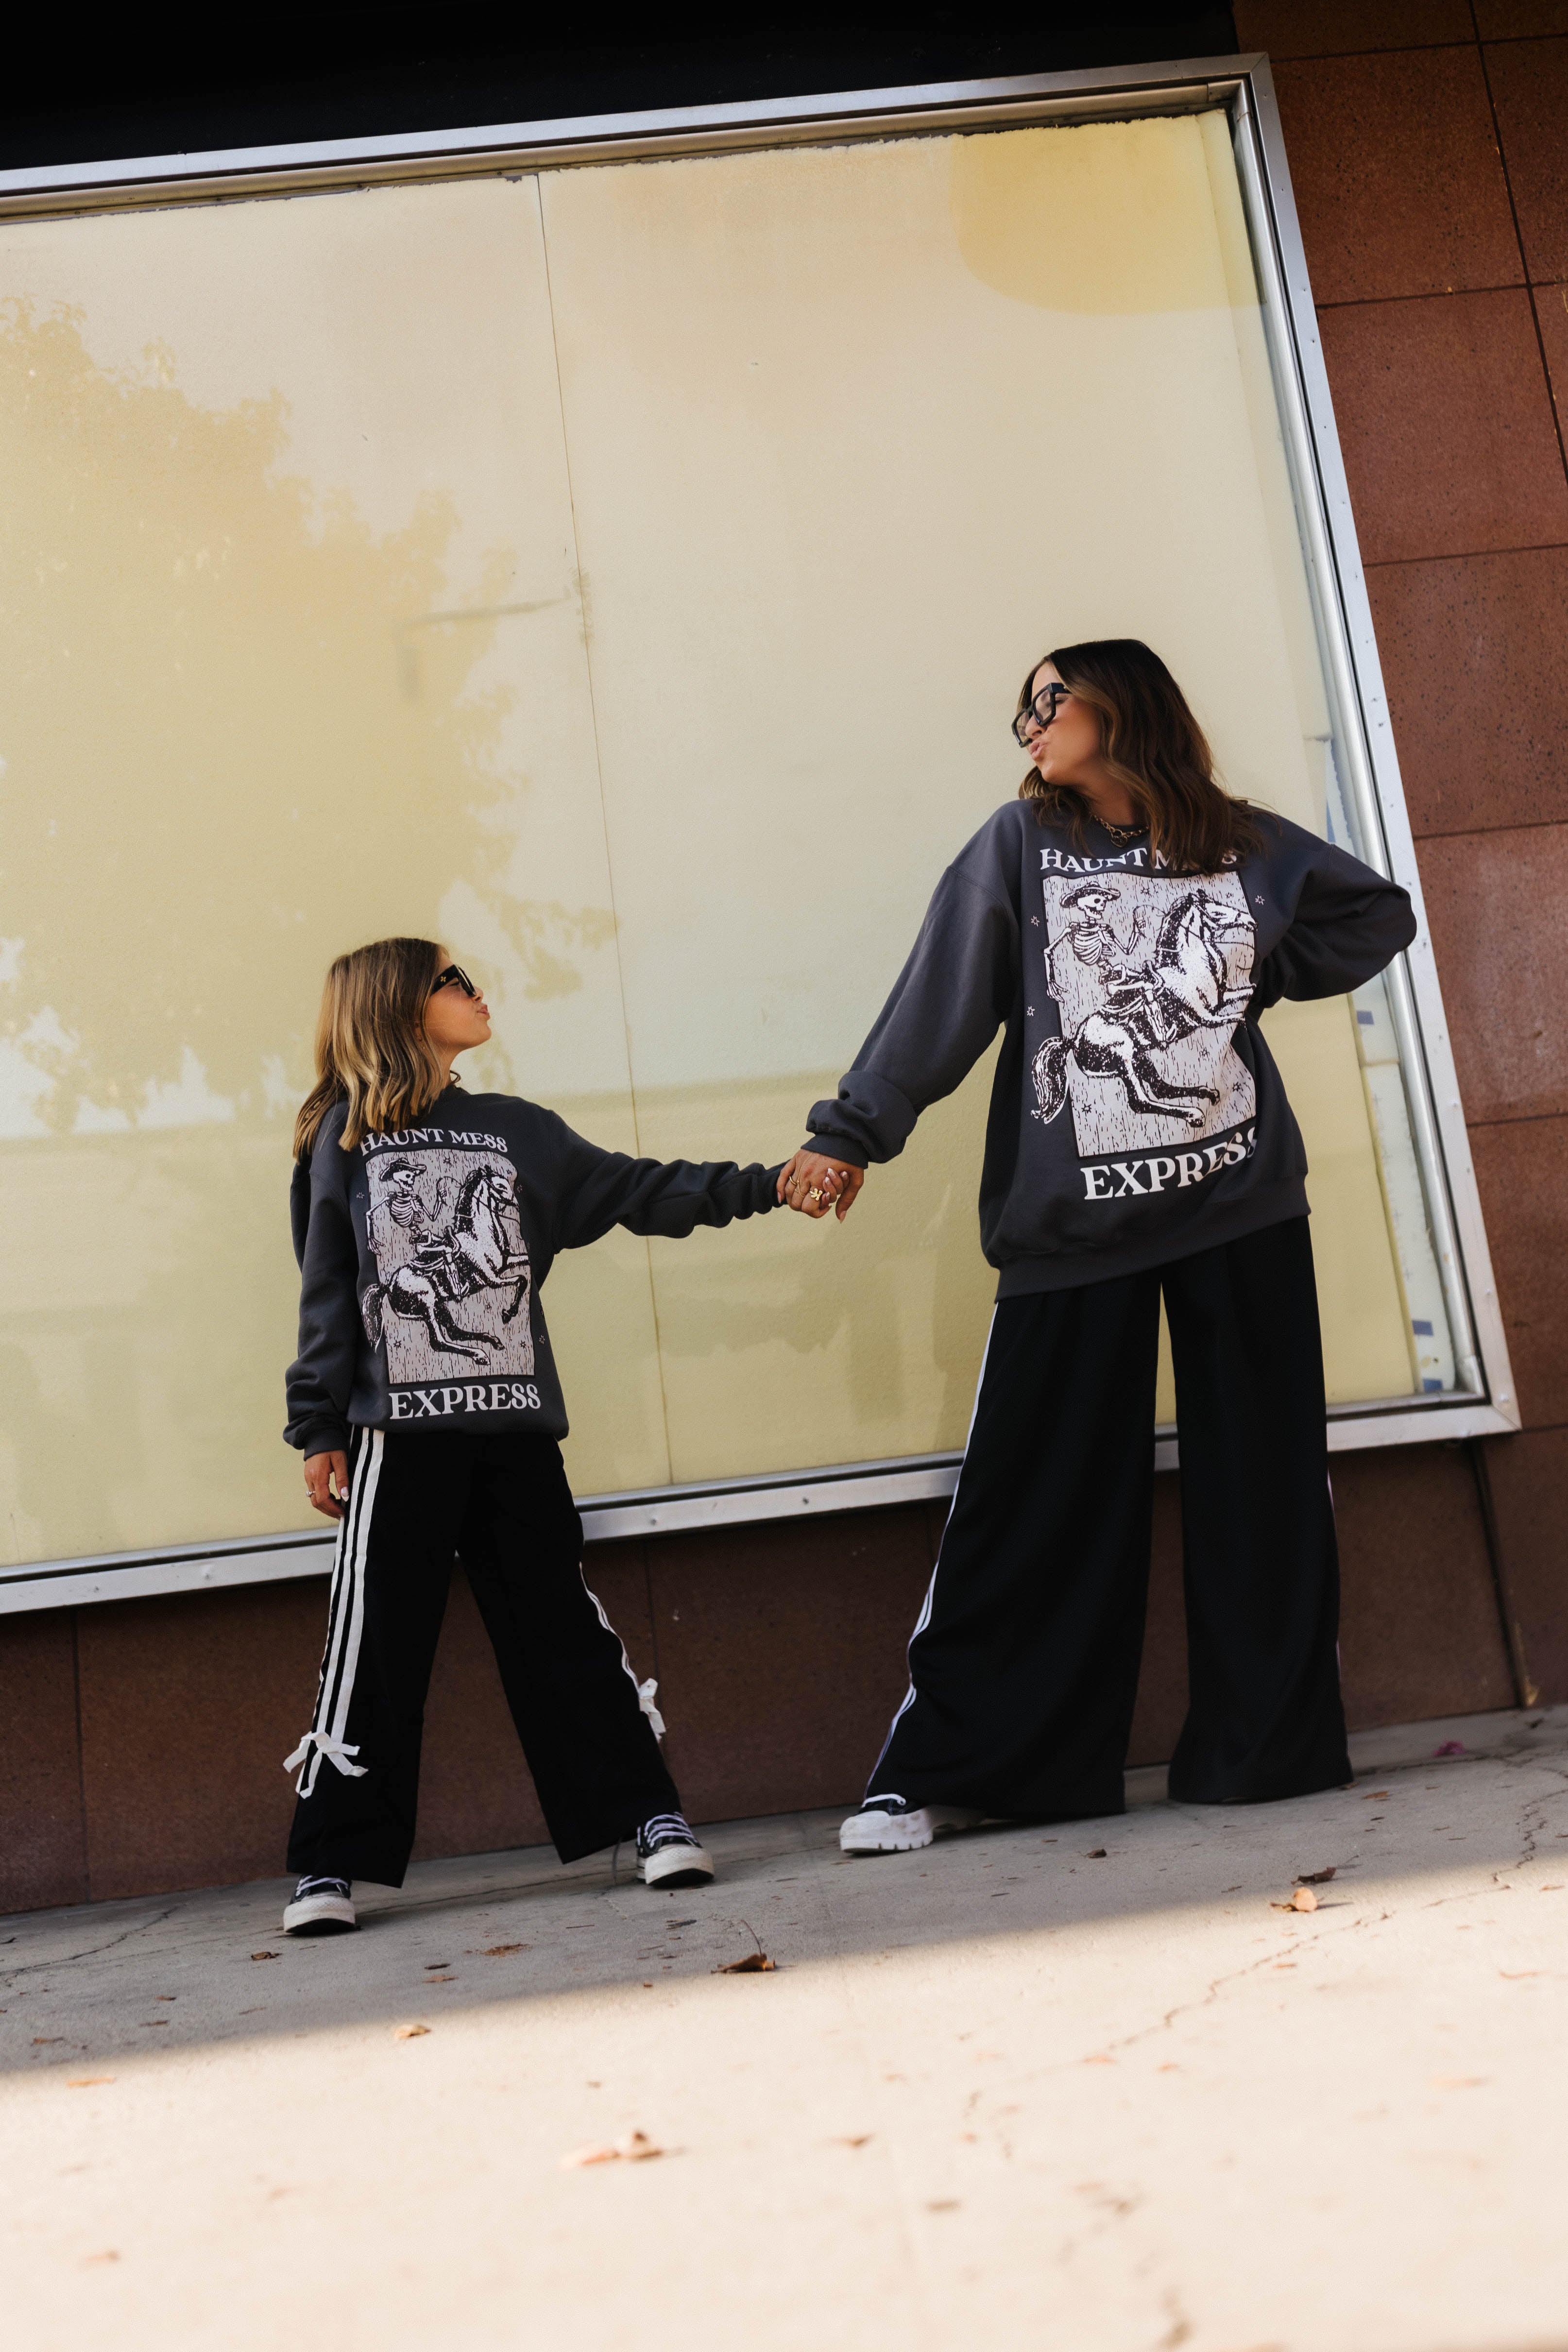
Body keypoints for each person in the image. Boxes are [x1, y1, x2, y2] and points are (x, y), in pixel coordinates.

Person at [775, 639, 1416, 1857]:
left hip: (1243, 1207)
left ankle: (1265, 1752)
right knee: (1038, 1493)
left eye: (1046, 697)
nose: (1027, 722)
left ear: (1120, 703)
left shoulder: (1241, 840)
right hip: (1074, 1227)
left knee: (1264, 1485)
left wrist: (1243, 977)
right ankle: (979, 1771)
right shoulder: (1019, 847)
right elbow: (943, 999)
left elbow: (1373, 914)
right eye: (1020, 706)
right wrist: (852, 1134)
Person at [280, 937, 783, 1935]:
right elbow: (328, 1297)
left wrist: (771, 1183)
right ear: (400, 1006)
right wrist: (317, 1426)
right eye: (455, 982)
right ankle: (327, 1864)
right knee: (375, 1646)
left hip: (513, 1433)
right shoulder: (342, 1143)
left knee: (562, 1625)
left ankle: (647, 1814)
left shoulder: (517, 1133)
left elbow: (643, 1189)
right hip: (396, 1441)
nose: (478, 993)